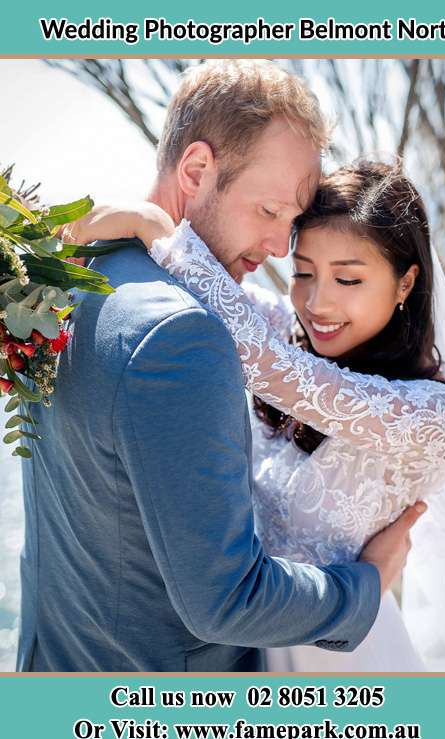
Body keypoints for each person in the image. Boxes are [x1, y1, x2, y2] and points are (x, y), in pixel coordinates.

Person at [16, 61, 422, 673]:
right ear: (198, 170)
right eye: (269, 211)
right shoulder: (183, 335)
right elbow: (228, 600)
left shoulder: (71, 279)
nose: (284, 248)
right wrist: (364, 585)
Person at [75, 160, 445, 672]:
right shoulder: (285, 329)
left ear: (406, 282)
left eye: (347, 278)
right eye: (302, 273)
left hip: (342, 656)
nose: (317, 303)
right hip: (248, 636)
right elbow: (218, 301)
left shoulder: (440, 415)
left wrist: (161, 231)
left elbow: (274, 369)